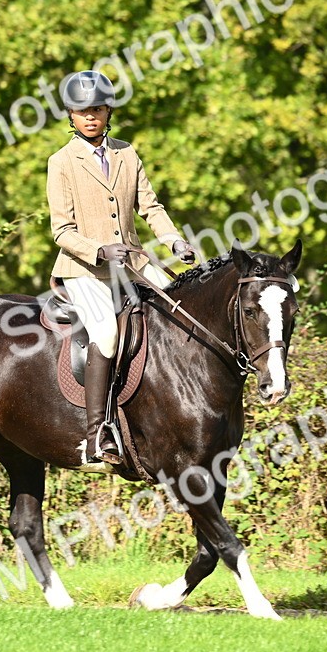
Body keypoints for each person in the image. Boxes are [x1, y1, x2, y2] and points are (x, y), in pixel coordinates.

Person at [47, 70, 197, 465]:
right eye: (82, 111)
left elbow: (150, 206)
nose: (90, 117)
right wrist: (99, 250)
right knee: (108, 333)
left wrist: (174, 240)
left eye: (96, 108)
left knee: (182, 311)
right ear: (71, 116)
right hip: (84, 270)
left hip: (134, 262)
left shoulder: (127, 154)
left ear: (108, 110)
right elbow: (61, 230)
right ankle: (97, 434)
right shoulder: (61, 162)